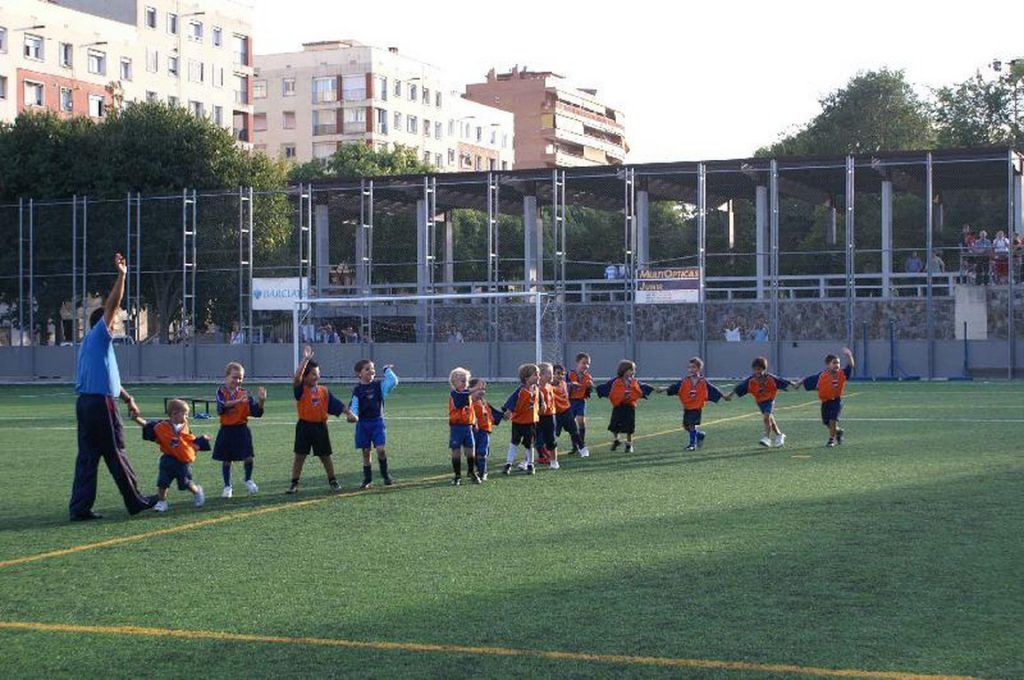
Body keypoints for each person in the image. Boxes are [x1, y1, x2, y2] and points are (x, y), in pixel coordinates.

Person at [69, 252, 157, 521]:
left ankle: (80, 508)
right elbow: (111, 306)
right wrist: (122, 275)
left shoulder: (92, 346)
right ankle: (134, 500)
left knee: (88, 456)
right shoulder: (99, 335)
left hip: (87, 402)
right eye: (114, 321)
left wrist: (128, 398)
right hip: (99, 405)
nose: (116, 322)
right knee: (116, 450)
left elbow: (108, 379)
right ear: (103, 324)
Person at [286, 345, 357, 494]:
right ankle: (294, 483)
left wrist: (349, 414)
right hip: (304, 427)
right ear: (305, 376)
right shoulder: (301, 389)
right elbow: (296, 377)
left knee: (325, 456)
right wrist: (305, 360)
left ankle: (333, 480)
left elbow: (336, 404)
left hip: (320, 427)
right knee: (300, 456)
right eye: (312, 374)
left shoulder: (323, 391)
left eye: (317, 373)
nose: (316, 376)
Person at [134, 399, 210, 512]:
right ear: (174, 414)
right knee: (162, 483)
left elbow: (190, 441)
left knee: (185, 484)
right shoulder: (161, 427)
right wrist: (136, 418)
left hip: (183, 462)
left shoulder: (185, 428)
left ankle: (197, 491)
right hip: (168, 459)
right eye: (185, 414)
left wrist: (201, 441)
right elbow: (147, 425)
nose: (187, 417)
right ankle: (162, 502)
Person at [213, 361, 266, 498]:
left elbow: (257, 413)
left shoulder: (245, 394)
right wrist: (238, 402)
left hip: (242, 429)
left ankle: (248, 479)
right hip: (227, 430)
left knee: (248, 457)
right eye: (234, 377)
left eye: (240, 378)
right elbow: (221, 407)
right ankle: (227, 486)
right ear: (226, 377)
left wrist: (261, 401)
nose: (237, 380)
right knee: (227, 460)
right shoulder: (221, 392)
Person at [350, 359, 399, 489]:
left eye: (372, 368)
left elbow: (393, 381)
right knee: (366, 451)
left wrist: (386, 370)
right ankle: (367, 479)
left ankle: (385, 475)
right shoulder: (357, 390)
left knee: (381, 450)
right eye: (367, 369)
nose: (371, 371)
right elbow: (354, 406)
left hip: (377, 422)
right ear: (359, 373)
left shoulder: (379, 386)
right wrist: (353, 416)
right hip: (363, 424)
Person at [723, 356, 792, 447]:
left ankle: (767, 438)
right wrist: (730, 395)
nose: (757, 372)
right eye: (755, 370)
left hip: (770, 400)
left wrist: (793, 383)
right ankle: (779, 435)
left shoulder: (770, 378)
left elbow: (781, 380)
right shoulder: (751, 379)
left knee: (766, 418)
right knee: (769, 418)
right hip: (760, 401)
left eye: (759, 369)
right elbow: (740, 387)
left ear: (764, 369)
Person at [794, 348, 855, 448]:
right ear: (827, 365)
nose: (837, 365)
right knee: (827, 423)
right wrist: (799, 383)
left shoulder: (842, 373)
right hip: (825, 402)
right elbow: (808, 380)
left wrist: (849, 356)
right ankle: (838, 431)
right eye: (834, 363)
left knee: (833, 420)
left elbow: (851, 366)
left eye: (838, 363)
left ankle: (831, 440)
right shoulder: (821, 376)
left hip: (836, 401)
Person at [664, 357, 725, 451]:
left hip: (696, 407)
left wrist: (724, 396)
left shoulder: (703, 381)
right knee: (686, 426)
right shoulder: (685, 380)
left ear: (699, 368)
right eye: (689, 367)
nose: (691, 369)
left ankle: (693, 445)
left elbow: (713, 389)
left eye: (694, 367)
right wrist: (664, 389)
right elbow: (674, 387)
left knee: (692, 425)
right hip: (687, 406)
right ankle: (700, 435)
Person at [596, 359, 655, 453]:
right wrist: (622, 396)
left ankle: (629, 444)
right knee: (614, 426)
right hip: (619, 406)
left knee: (629, 427)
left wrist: (632, 395)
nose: (633, 372)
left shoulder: (634, 382)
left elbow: (639, 391)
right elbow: (613, 393)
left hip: (629, 407)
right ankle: (616, 440)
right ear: (624, 370)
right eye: (631, 370)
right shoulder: (616, 382)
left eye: (633, 370)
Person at [501, 363, 540, 475]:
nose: (538, 377)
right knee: (514, 443)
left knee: (530, 444)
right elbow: (511, 402)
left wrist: (542, 405)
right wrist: (508, 411)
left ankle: (530, 464)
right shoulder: (520, 391)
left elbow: (539, 399)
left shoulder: (536, 389)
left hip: (531, 422)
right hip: (518, 422)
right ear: (526, 378)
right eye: (535, 375)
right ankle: (508, 464)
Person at [448, 367, 483, 485]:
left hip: (467, 426)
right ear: (454, 382)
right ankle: (457, 475)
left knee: (471, 450)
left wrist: (474, 421)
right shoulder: (455, 393)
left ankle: (471, 471)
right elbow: (460, 401)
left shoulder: (467, 393)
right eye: (462, 381)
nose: (465, 383)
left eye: (466, 381)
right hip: (456, 427)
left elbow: (470, 409)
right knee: (456, 451)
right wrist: (475, 389)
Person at [551, 364, 587, 458]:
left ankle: (582, 449)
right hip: (555, 414)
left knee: (574, 432)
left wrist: (573, 385)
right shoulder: (548, 387)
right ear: (552, 374)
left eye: (562, 374)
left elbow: (568, 385)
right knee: (554, 435)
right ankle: (550, 454)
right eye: (558, 373)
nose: (560, 376)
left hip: (567, 411)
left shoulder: (563, 383)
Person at [470, 377, 502, 481]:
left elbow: (490, 415)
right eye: (479, 388)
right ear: (471, 389)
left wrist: (498, 417)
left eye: (484, 389)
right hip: (473, 432)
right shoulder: (469, 403)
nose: (482, 391)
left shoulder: (483, 402)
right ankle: (476, 470)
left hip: (484, 431)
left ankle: (483, 472)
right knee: (474, 452)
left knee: (482, 452)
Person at [567, 353, 593, 456]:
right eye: (584, 363)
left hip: (581, 401)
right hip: (570, 402)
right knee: (571, 425)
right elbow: (564, 386)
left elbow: (588, 392)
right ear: (577, 363)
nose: (586, 366)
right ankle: (575, 445)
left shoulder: (588, 377)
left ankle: (581, 443)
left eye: (588, 364)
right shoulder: (569, 374)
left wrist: (590, 387)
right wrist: (571, 386)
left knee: (581, 421)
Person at [535, 363, 561, 469]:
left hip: (549, 416)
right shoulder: (536, 388)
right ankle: (528, 460)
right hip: (537, 417)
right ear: (540, 375)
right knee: (533, 439)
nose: (552, 376)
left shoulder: (550, 387)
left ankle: (554, 461)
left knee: (551, 439)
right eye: (549, 373)